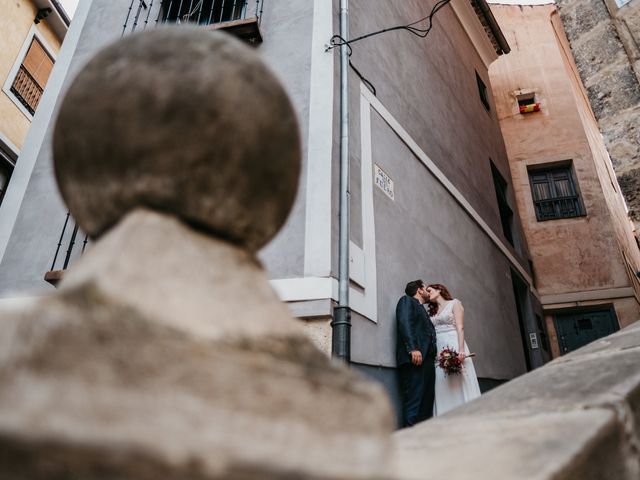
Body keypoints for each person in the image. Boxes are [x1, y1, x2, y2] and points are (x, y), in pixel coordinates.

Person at [426, 283, 481, 416]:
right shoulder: (432, 312)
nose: (428, 293)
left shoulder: (454, 303)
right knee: (441, 380)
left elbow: (460, 327)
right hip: (438, 347)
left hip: (453, 343)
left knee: (458, 378)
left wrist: (461, 350)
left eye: (430, 290)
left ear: (439, 289)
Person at [395, 280, 437, 427]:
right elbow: (405, 322)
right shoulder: (406, 301)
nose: (427, 291)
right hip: (415, 360)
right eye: (426, 288)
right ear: (419, 290)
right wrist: (413, 348)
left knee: (426, 403)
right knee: (414, 402)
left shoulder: (420, 308)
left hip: (427, 361)